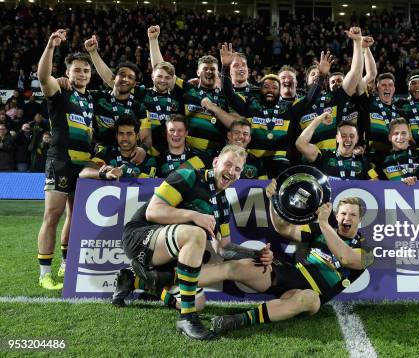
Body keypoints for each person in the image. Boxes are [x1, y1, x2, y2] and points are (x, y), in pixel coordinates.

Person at [206, 182, 373, 334]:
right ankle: (183, 284)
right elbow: (284, 229)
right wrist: (273, 201)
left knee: (308, 298)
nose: (347, 218)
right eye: (343, 213)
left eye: (352, 215)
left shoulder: (368, 251)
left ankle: (238, 320)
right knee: (234, 267)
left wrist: (324, 223)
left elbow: (346, 258)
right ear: (336, 216)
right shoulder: (319, 229)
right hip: (288, 273)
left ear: (360, 219)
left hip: (314, 294)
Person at [119, 144, 246, 340]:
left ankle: (135, 280)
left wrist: (255, 254)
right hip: (140, 236)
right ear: (215, 162)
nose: (231, 171)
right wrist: (194, 215)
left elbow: (223, 248)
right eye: (228, 164)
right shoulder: (189, 175)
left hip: (169, 248)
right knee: (196, 234)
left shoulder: (223, 203)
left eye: (237, 169)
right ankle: (187, 319)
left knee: (198, 302)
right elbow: (152, 212)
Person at [36, 30, 95, 289]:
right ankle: (44, 274)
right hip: (60, 161)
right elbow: (42, 77)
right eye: (77, 70)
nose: (81, 74)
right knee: (53, 215)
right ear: (67, 72)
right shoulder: (60, 92)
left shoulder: (91, 100)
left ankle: (64, 263)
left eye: (85, 70)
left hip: (83, 166)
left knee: (74, 216)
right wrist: (50, 47)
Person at [219, 42, 330, 178]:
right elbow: (229, 94)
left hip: (281, 162)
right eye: (266, 86)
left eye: (275, 87)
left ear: (280, 91)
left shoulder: (289, 107)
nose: (270, 90)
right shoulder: (249, 104)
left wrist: (322, 76)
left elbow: (308, 99)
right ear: (260, 89)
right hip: (253, 160)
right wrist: (225, 67)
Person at [148, 26, 238, 159]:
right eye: (205, 69)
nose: (208, 71)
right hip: (187, 153)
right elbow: (162, 70)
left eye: (212, 69)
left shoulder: (225, 96)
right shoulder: (189, 89)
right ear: (197, 72)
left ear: (218, 73)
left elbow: (235, 124)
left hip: (215, 155)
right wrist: (153, 40)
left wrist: (214, 108)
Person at [297, 113, 376, 180]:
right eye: (343, 136)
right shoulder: (325, 156)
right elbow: (301, 144)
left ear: (356, 139)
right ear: (337, 138)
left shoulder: (364, 163)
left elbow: (377, 185)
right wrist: (318, 120)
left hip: (353, 198)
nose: (348, 139)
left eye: (352, 136)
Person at [80, 115, 157, 180]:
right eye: (121, 133)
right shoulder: (107, 151)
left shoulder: (148, 159)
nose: (125, 138)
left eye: (129, 134)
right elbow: (83, 173)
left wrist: (122, 173)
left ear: (137, 136)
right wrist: (106, 175)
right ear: (117, 136)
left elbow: (147, 184)